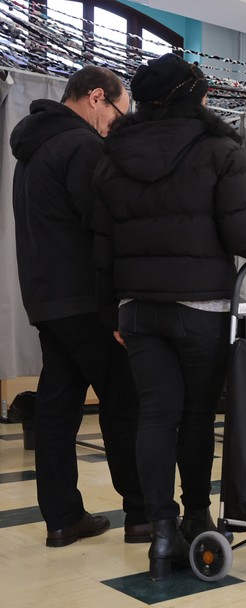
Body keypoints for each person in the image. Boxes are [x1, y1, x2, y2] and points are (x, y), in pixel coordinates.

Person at [91, 53, 246, 580]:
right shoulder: (219, 147)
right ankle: (199, 516)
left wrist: (115, 304)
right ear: (192, 96)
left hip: (136, 309)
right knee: (199, 415)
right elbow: (244, 232)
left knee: (155, 414)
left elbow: (101, 243)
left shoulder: (111, 154)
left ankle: (162, 531)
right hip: (200, 306)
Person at [9, 65, 148, 548]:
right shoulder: (82, 147)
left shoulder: (30, 153)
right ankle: (142, 514)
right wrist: (116, 304)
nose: (115, 125)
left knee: (57, 408)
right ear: (95, 97)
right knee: (123, 399)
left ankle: (64, 517)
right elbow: (101, 230)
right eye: (116, 113)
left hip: (46, 299)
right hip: (86, 300)